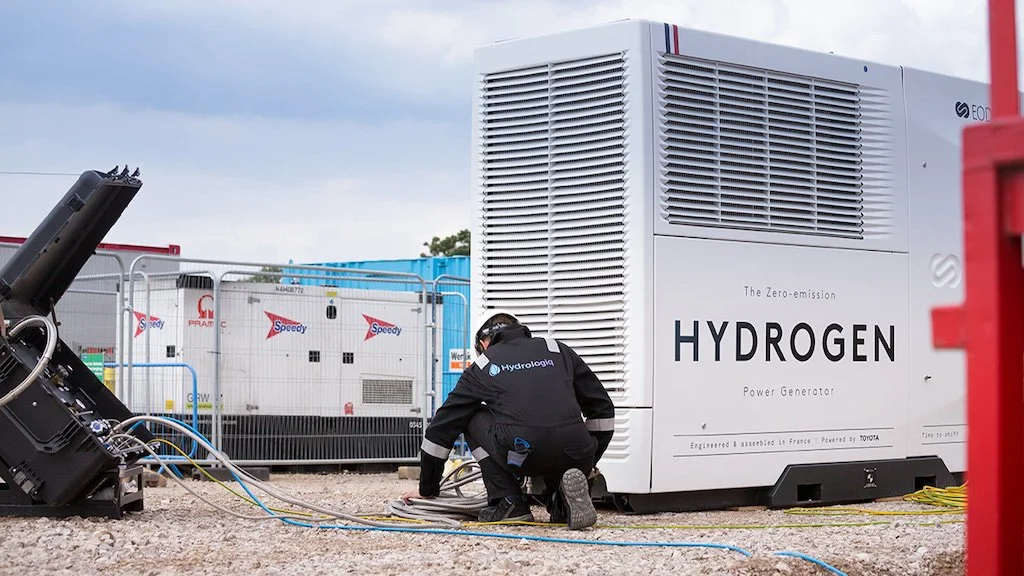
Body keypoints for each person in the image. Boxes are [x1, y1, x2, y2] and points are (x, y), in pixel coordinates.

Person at [400, 310, 616, 530]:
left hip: (522, 455)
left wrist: (427, 488)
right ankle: (560, 498)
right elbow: (602, 409)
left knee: (470, 416)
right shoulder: (556, 349)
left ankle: (508, 500)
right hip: (575, 452)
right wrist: (587, 461)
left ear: (484, 343)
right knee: (557, 431)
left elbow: (441, 428)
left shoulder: (484, 365)